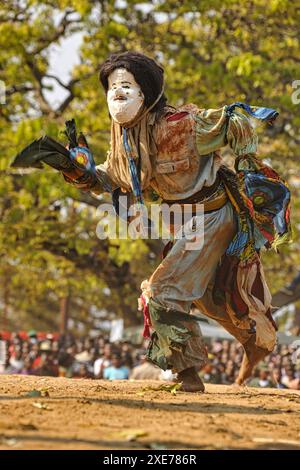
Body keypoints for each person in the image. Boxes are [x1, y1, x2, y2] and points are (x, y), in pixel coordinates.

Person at [63, 51, 291, 392]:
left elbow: (236, 121)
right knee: (213, 300)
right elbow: (111, 178)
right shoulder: (126, 139)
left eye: (127, 85)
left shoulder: (181, 124)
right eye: (112, 87)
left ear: (148, 92)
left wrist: (248, 166)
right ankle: (256, 343)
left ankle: (187, 374)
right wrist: (76, 170)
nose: (118, 94)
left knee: (161, 291)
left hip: (215, 216)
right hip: (183, 223)